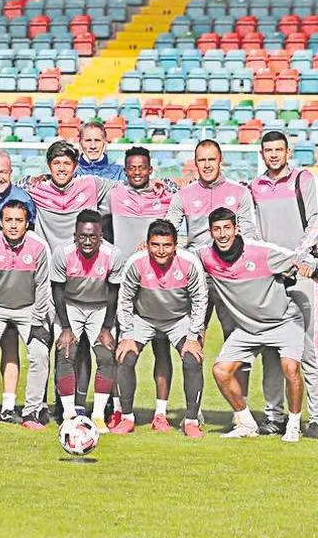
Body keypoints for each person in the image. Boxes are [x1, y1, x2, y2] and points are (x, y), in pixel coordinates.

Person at [199, 208, 310, 441]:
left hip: (283, 322)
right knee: (220, 371)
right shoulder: (206, 256)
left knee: (291, 369)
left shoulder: (261, 252)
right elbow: (180, 257)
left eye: (227, 228)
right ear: (210, 232)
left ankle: (293, 425)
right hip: (248, 328)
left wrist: (308, 266)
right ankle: (247, 423)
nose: (222, 234)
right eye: (217, 229)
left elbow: (300, 257)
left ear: (236, 229)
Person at [249, 130, 318, 437]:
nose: (274, 154)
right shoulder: (255, 186)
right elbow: (253, 231)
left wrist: (298, 257)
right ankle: (274, 416)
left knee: (308, 348)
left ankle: (315, 417)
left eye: (279, 149)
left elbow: (316, 219)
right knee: (271, 348)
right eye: (268, 150)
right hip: (271, 277)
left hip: (302, 273)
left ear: (288, 152)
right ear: (262, 154)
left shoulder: (302, 180)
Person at [112, 220, 207, 438]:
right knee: (125, 357)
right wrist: (126, 335)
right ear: (147, 244)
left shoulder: (189, 263)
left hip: (178, 319)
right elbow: (124, 299)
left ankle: (191, 421)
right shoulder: (136, 263)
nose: (161, 250)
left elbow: (200, 299)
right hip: (143, 318)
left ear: (175, 246)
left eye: (167, 245)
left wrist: (193, 336)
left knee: (193, 358)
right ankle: (127, 418)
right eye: (155, 245)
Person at [103, 146, 176, 425]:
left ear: (150, 169)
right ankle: (120, 409)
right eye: (131, 167)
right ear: (125, 169)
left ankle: (160, 413)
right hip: (124, 282)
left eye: (141, 167)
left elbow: (190, 190)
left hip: (158, 283)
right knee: (122, 347)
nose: (136, 172)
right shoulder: (114, 194)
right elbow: (80, 179)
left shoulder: (166, 196)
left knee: (161, 348)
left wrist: (168, 183)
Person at [0, 200, 54, 429]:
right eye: (8, 220)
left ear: (27, 223)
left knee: (39, 354)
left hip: (29, 309)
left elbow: (43, 287)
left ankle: (31, 413)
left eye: (19, 221)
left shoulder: (39, 247)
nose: (13, 225)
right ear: (0, 222)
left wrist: (39, 321)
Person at [49, 210, 121, 428]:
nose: (87, 241)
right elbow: (58, 291)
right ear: (75, 235)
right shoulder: (62, 253)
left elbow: (113, 294)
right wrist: (66, 327)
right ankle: (69, 414)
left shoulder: (113, 254)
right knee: (65, 352)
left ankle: (98, 415)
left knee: (106, 355)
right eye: (83, 236)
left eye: (93, 237)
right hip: (70, 305)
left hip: (100, 307)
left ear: (101, 236)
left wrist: (107, 327)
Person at [166, 139, 258, 249]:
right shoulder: (182, 195)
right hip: (197, 260)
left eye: (212, 159)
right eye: (201, 160)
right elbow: (166, 232)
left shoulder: (241, 192)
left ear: (220, 161)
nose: (207, 165)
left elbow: (249, 234)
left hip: (230, 261)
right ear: (195, 162)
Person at [26, 141, 116, 249]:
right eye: (56, 163)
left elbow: (124, 187)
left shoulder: (90, 184)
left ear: (75, 166)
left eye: (67, 163)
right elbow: (9, 186)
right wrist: (28, 179)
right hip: (49, 261)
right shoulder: (36, 187)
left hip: (83, 260)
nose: (62, 168)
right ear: (48, 165)